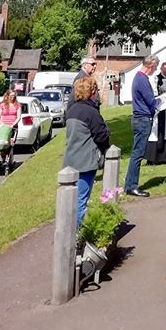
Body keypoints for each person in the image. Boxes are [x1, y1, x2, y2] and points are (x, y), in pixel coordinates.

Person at [63, 77, 110, 226]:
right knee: (81, 201)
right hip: (85, 161)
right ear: (92, 92)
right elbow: (102, 135)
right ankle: (77, 236)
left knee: (71, 200)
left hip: (70, 160)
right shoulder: (90, 112)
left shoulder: (72, 110)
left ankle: (70, 231)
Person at [124, 54, 159, 197]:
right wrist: (162, 102)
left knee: (137, 152)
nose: (155, 71)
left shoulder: (138, 78)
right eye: (155, 68)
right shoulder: (142, 79)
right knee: (138, 153)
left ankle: (130, 184)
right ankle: (131, 186)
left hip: (140, 118)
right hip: (143, 119)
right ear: (150, 65)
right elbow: (151, 101)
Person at [0, 89, 22, 163]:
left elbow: (19, 117)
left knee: (11, 143)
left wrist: (13, 124)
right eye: (11, 96)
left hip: (13, 127)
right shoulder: (2, 105)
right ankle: (3, 158)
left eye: (14, 96)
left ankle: (10, 159)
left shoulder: (17, 105)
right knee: (4, 143)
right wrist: (2, 123)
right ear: (7, 96)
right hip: (4, 127)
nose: (12, 97)